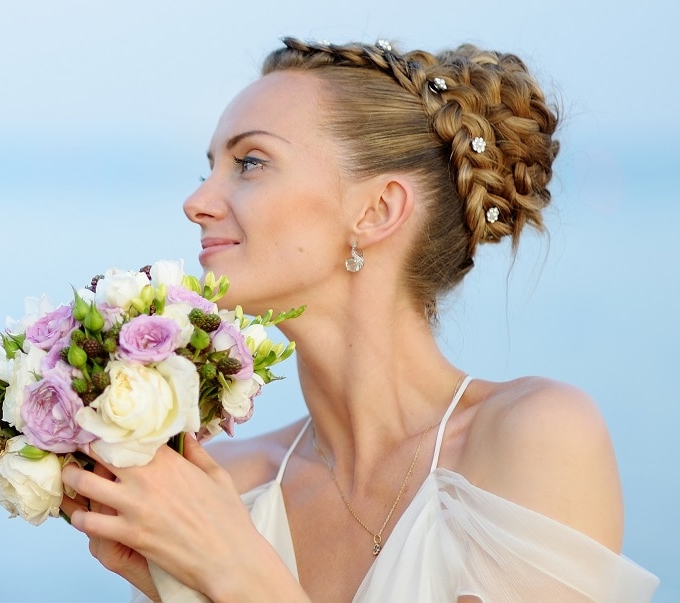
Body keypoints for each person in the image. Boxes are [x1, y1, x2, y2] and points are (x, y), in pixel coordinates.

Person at [60, 36, 660, 601]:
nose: (197, 203)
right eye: (208, 168)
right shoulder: (229, 485)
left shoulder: (535, 437)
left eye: (250, 162)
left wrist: (235, 571)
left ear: (378, 210)